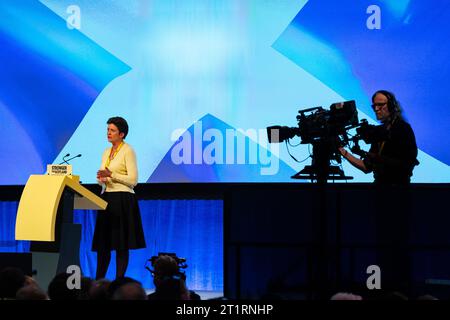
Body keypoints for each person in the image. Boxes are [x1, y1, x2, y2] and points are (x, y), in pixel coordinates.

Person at [92, 116, 146, 280]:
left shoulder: (128, 150)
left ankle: (119, 282)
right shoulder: (106, 152)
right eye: (108, 129)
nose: (108, 133)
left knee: (121, 245)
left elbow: (133, 180)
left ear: (121, 134)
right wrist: (101, 180)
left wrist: (112, 175)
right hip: (107, 198)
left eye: (112, 130)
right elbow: (105, 176)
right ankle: (99, 281)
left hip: (123, 199)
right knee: (104, 245)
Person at [339, 90, 418, 185]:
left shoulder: (403, 129)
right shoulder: (379, 132)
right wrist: (343, 152)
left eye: (380, 105)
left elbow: (406, 164)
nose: (376, 109)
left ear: (391, 106)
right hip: (378, 187)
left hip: (398, 189)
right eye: (374, 106)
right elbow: (366, 167)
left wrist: (377, 158)